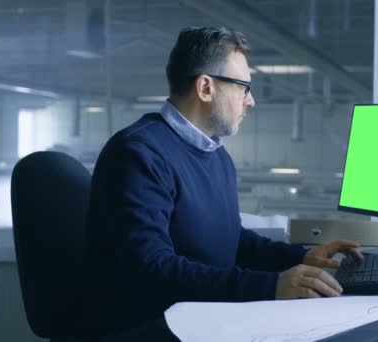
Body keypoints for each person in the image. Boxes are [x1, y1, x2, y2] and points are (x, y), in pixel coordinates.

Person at [83, 26, 362, 336]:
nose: (250, 101)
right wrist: (271, 286)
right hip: (151, 326)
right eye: (244, 87)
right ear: (206, 88)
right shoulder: (138, 153)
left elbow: (231, 239)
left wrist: (302, 257)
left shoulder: (216, 155)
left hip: (201, 314)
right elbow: (152, 270)